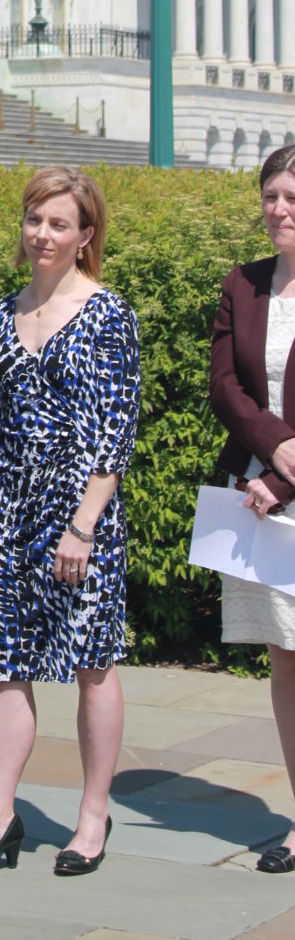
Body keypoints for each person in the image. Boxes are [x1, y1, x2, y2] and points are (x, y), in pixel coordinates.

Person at [0, 166, 140, 883]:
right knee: (7, 669)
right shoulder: (2, 314)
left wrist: (81, 527)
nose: (43, 235)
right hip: (13, 513)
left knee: (92, 664)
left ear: (86, 236)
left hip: (84, 516)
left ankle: (92, 815)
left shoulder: (109, 313)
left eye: (60, 224)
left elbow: (116, 433)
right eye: (35, 221)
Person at [210, 142, 295, 872]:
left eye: (293, 197)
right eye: (272, 195)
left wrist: (286, 475)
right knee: (284, 660)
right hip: (260, 500)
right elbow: (225, 389)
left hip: (281, 492)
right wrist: (274, 452)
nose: (279, 209)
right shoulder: (244, 285)